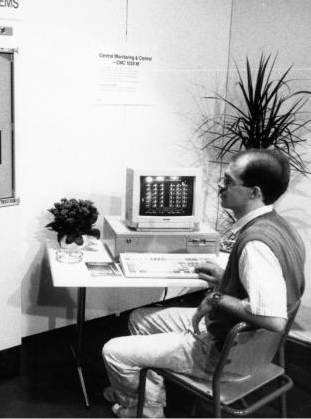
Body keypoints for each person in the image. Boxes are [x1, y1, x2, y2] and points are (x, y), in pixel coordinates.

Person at [101, 149, 305, 418]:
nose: (220, 186)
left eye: (229, 181)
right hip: (254, 347)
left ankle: (145, 411)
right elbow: (274, 288)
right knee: (140, 318)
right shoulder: (280, 227)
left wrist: (218, 297)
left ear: (254, 193)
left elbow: (274, 319)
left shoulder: (255, 244)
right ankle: (148, 397)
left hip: (225, 355)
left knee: (113, 351)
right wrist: (226, 278)